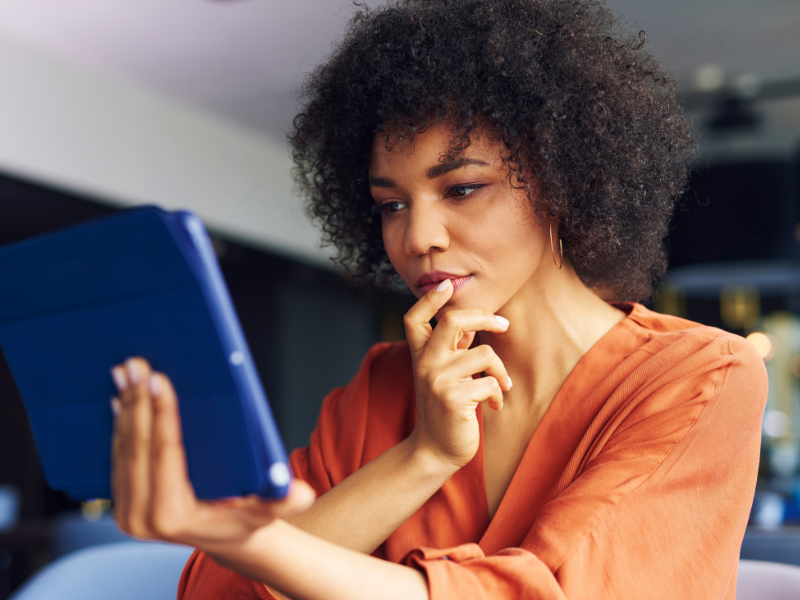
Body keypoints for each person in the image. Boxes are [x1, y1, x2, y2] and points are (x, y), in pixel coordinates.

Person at [109, 0, 768, 598]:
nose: (417, 237)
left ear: (565, 182)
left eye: (460, 189)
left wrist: (254, 542)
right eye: (391, 204)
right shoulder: (383, 389)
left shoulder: (704, 377)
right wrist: (421, 457)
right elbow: (217, 594)